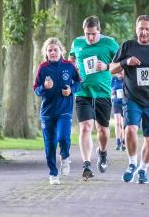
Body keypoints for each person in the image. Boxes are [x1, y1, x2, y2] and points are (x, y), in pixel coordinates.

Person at [110, 15, 149, 184]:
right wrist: (125, 62)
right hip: (132, 98)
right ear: (136, 29)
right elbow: (111, 69)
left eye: (147, 29)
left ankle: (143, 170)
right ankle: (132, 163)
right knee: (129, 129)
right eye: (141, 28)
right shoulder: (127, 46)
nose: (143, 32)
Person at [69, 16, 119, 178]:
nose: (90, 38)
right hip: (83, 92)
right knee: (85, 127)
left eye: (93, 34)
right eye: (87, 34)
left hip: (103, 93)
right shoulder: (77, 42)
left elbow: (120, 65)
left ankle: (102, 153)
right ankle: (86, 165)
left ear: (99, 31)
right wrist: (74, 69)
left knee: (103, 131)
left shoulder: (110, 43)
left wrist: (106, 66)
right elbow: (71, 59)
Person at [34, 37, 80, 185]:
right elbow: (36, 89)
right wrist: (44, 87)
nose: (53, 52)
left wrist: (71, 90)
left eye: (55, 49)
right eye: (49, 50)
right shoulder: (43, 68)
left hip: (64, 110)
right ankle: (53, 173)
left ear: (61, 51)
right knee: (50, 144)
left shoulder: (69, 66)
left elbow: (78, 82)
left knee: (63, 138)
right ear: (46, 53)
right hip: (47, 112)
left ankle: (65, 157)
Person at [111, 70, 126, 151]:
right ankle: (118, 141)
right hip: (116, 103)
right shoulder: (113, 79)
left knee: (123, 124)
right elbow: (110, 90)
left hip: (125, 103)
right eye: (118, 72)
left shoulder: (127, 79)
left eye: (120, 72)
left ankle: (124, 141)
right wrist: (112, 92)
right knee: (118, 123)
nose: (119, 73)